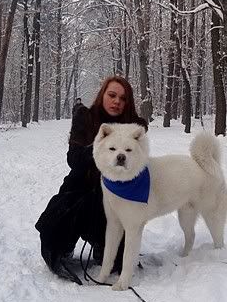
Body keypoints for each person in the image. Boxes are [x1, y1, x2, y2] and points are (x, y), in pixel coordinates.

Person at [35, 76, 148, 284]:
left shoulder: (133, 129)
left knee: (117, 259)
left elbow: (139, 165)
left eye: (123, 98)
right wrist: (99, 148)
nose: (117, 101)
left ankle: (102, 245)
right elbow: (74, 159)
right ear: (102, 95)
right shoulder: (85, 118)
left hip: (116, 195)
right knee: (62, 219)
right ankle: (65, 246)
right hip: (82, 188)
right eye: (112, 95)